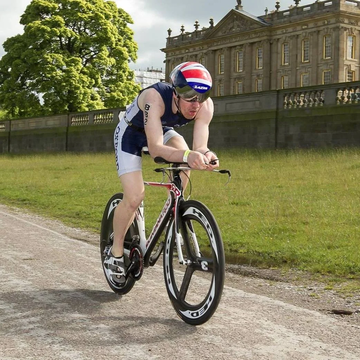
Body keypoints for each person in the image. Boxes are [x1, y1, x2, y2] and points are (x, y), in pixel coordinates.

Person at [103, 61, 219, 286]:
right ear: (176, 93)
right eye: (190, 98)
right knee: (135, 196)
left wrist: (207, 154)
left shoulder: (205, 106)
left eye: (202, 97)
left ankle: (172, 210)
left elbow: (200, 146)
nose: (196, 104)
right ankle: (115, 252)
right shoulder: (154, 97)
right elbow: (155, 149)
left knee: (184, 156)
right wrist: (188, 156)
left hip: (161, 129)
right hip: (131, 133)